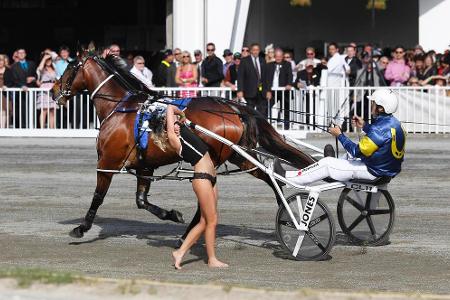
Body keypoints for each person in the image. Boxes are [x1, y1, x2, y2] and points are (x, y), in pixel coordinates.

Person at [274, 89, 405, 186]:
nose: (371, 105)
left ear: (381, 108)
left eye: (373, 103)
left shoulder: (379, 129)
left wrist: (339, 135)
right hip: (385, 170)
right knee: (347, 157)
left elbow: (356, 151)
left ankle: (286, 178)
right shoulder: (395, 123)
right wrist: (364, 125)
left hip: (373, 171)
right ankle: (334, 165)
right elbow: (381, 137)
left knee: (326, 164)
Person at [161, 104, 228, 269]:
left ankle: (180, 253)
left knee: (206, 221)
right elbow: (170, 107)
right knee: (211, 221)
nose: (176, 120)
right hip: (202, 178)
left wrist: (182, 118)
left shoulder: (184, 131)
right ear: (168, 126)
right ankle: (211, 259)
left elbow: (178, 112)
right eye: (172, 121)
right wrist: (176, 118)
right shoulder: (174, 139)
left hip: (211, 178)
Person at [237, 43, 268, 115]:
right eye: (254, 50)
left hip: (261, 92)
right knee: (249, 113)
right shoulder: (244, 61)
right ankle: (250, 126)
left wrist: (268, 90)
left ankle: (261, 126)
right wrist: (240, 90)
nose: (255, 52)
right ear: (251, 51)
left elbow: (266, 76)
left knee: (262, 113)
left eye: (257, 50)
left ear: (259, 51)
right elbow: (240, 77)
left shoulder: (263, 60)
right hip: (249, 92)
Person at [265, 48, 293, 129]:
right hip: (272, 91)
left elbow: (290, 76)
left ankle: (286, 127)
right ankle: (267, 127)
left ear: (282, 56)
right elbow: (266, 79)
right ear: (274, 56)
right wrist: (268, 90)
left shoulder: (287, 64)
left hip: (284, 91)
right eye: (277, 56)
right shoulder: (269, 65)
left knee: (286, 110)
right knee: (267, 108)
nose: (278, 58)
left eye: (280, 56)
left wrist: (289, 84)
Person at [9, 48, 37, 128]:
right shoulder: (14, 66)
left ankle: (32, 126)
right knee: (21, 110)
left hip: (31, 90)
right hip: (20, 91)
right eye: (19, 53)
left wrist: (34, 78)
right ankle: (23, 127)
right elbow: (13, 79)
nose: (21, 54)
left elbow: (36, 75)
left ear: (25, 54)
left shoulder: (31, 63)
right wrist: (22, 85)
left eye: (23, 53)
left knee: (31, 109)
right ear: (17, 55)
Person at [36, 52, 58, 129]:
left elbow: (56, 56)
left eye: (49, 60)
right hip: (44, 90)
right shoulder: (42, 68)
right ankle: (42, 129)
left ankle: (52, 129)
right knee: (44, 110)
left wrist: (50, 55)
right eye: (47, 60)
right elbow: (39, 69)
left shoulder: (54, 68)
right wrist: (44, 58)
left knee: (52, 111)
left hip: (53, 89)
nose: (48, 61)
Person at [0, 54, 13, 128]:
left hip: (5, 94)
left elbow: (11, 81)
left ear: (4, 61)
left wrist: (7, 86)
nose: (0, 62)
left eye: (1, 60)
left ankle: (4, 128)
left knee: (6, 111)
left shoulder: (8, 70)